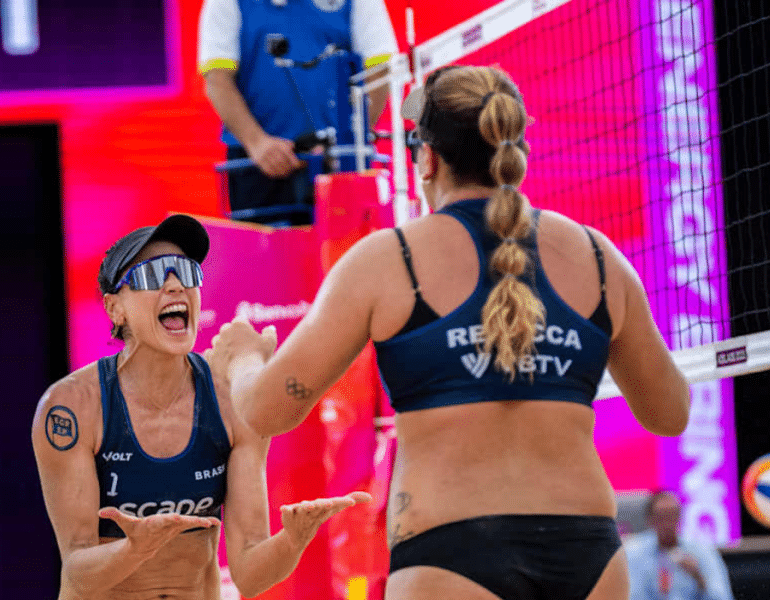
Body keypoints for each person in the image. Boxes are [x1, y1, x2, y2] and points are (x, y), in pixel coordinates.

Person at [207, 64, 692, 600]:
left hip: (451, 554)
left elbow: (267, 411)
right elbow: (669, 414)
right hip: (588, 555)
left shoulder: (390, 260)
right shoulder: (599, 259)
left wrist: (242, 360)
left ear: (428, 159)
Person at [32, 214, 369, 600]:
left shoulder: (231, 401)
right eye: (153, 275)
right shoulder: (73, 406)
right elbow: (79, 569)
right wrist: (135, 548)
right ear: (115, 309)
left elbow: (250, 572)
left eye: (186, 272)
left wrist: (292, 541)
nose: (175, 285)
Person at [199, 0, 399, 225]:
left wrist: (347, 144)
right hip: (256, 167)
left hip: (340, 167)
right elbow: (217, 81)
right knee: (263, 258)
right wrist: (257, 143)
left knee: (347, 251)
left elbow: (380, 70)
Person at [624, 490, 735, 600]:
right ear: (650, 520)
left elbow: (723, 597)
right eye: (662, 518)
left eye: (673, 516)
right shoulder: (634, 553)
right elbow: (633, 596)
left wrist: (698, 578)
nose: (668, 524)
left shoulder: (702, 550)